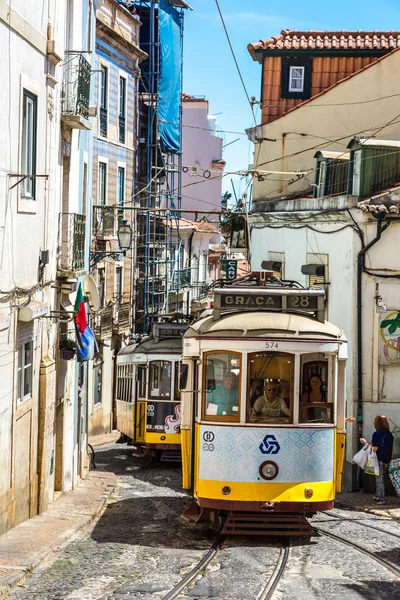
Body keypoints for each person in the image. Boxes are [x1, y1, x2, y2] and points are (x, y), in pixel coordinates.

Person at [360, 414, 394, 506]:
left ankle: (382, 499)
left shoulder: (376, 434)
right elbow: (392, 448)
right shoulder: (389, 434)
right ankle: (378, 495)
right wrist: (391, 458)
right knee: (381, 479)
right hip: (387, 459)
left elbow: (374, 448)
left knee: (379, 480)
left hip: (379, 459)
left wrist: (365, 443)